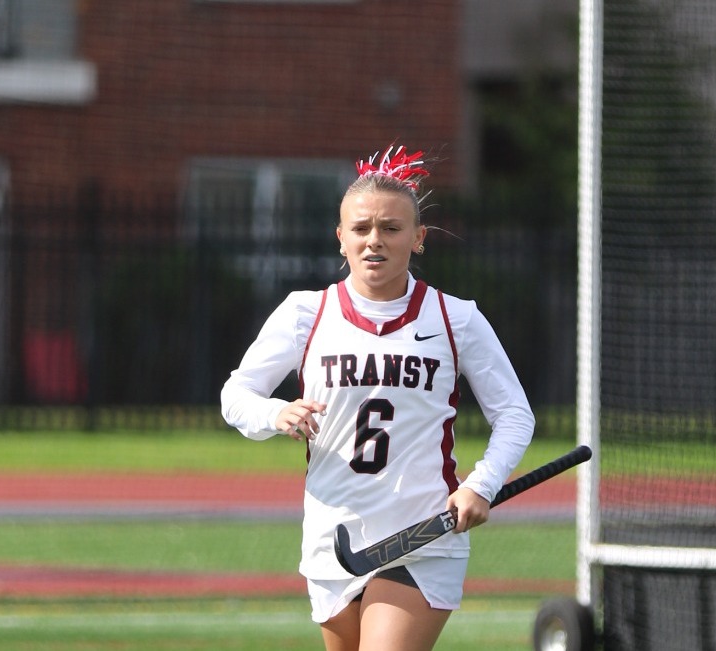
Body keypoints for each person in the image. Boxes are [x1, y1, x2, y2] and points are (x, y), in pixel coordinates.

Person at [220, 144, 534, 651]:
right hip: (333, 539)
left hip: (422, 538)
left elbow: (515, 415)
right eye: (361, 229)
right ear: (340, 238)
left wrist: (482, 484)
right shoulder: (306, 313)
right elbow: (236, 395)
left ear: (418, 238)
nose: (375, 241)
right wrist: (275, 412)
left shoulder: (456, 319)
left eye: (391, 228)